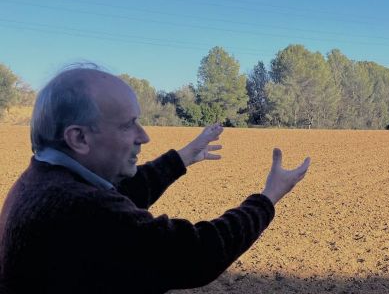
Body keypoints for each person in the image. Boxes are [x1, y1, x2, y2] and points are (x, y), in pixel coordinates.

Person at [0, 66, 311, 293]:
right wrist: (268, 198)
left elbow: (124, 194)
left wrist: (184, 156)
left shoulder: (44, 179)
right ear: (79, 137)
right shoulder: (78, 207)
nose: (144, 136)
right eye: (128, 125)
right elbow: (196, 253)